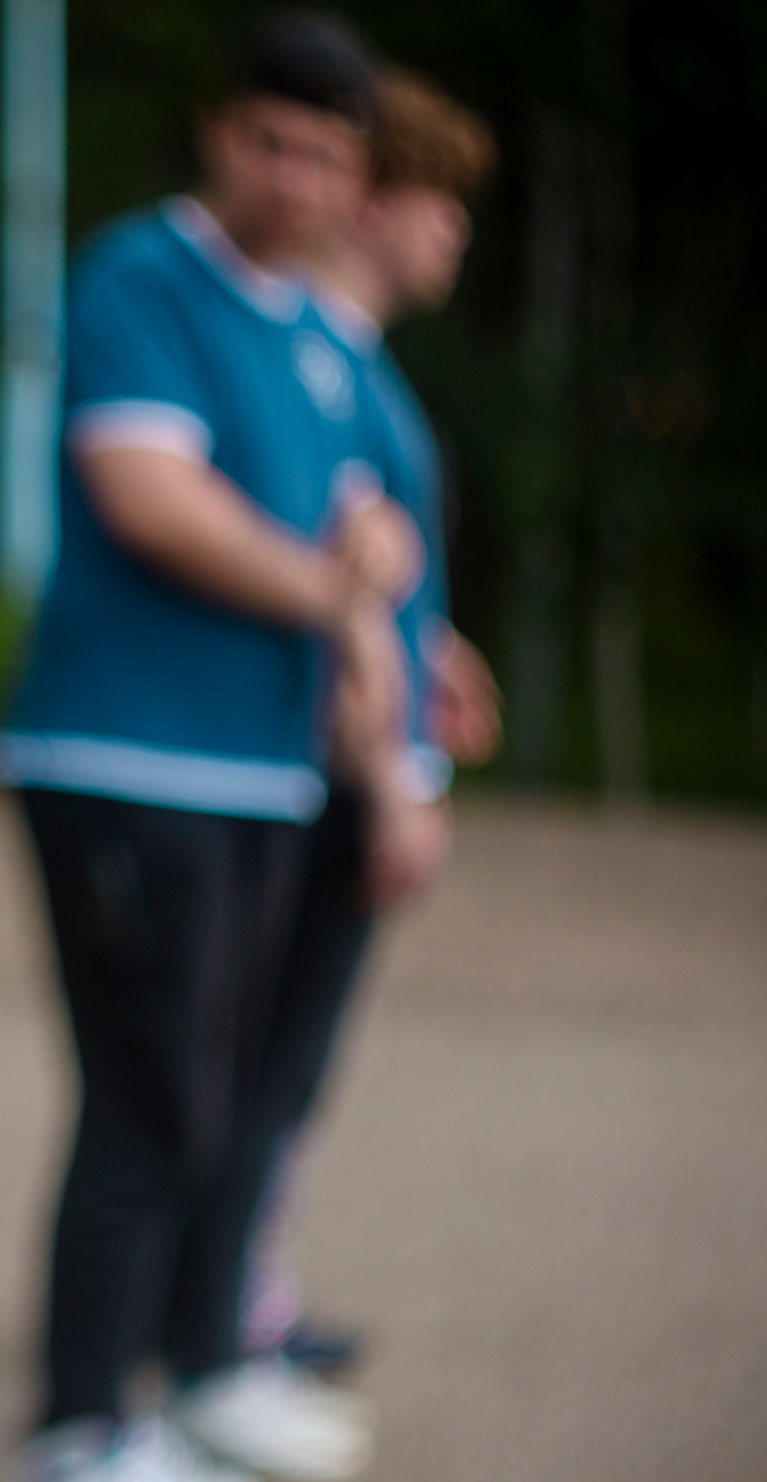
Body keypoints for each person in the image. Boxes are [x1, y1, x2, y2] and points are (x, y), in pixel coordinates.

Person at [0, 12, 422, 1482]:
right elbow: (148, 498)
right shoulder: (137, 280)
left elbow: (369, 539)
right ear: (218, 135)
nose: (294, 176)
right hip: (122, 764)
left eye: (327, 157)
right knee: (151, 1100)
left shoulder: (309, 331)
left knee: (208, 1098)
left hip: (255, 779)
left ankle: (149, 1405)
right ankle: (73, 1450)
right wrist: (332, 589)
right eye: (271, 141)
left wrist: (376, 619)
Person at [239, 66, 504, 1376]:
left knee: (284, 1068)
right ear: (374, 207)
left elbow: (380, 588)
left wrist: (436, 646)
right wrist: (398, 782)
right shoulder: (326, 362)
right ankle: (237, 1305)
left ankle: (249, 1292)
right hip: (331, 768)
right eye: (438, 201)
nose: (456, 231)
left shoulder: (355, 367)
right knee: (271, 1066)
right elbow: (342, 591)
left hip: (346, 759)